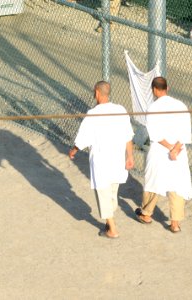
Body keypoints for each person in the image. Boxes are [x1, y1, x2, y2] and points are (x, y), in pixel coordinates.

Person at [69, 81, 134, 238]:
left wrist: (74, 150)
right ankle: (109, 220)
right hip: (118, 159)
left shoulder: (92, 114)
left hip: (102, 160)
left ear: (97, 92)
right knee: (112, 193)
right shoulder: (121, 110)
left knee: (103, 193)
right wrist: (130, 156)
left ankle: (112, 229)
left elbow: (83, 137)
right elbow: (128, 135)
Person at [135, 77, 192, 233]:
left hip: (160, 152)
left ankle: (146, 215)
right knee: (176, 184)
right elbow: (186, 132)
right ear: (167, 87)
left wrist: (169, 148)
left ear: (154, 90)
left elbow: (155, 134)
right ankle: (175, 224)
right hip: (179, 152)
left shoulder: (153, 108)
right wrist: (176, 148)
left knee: (153, 181)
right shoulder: (181, 105)